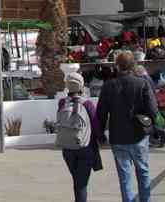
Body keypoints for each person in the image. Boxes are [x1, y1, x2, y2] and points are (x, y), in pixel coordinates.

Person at [96, 51, 157, 202]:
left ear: (117, 66)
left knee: (125, 177)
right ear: (133, 65)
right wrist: (152, 127)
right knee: (143, 172)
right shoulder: (142, 83)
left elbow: (101, 113)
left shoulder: (108, 85)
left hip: (118, 136)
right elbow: (153, 110)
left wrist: (100, 134)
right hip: (139, 134)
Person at [58, 72, 102, 202]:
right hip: (85, 147)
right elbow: (95, 124)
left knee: (77, 181)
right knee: (81, 184)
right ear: (81, 85)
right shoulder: (87, 103)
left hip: (67, 147)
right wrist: (102, 139)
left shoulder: (62, 103)